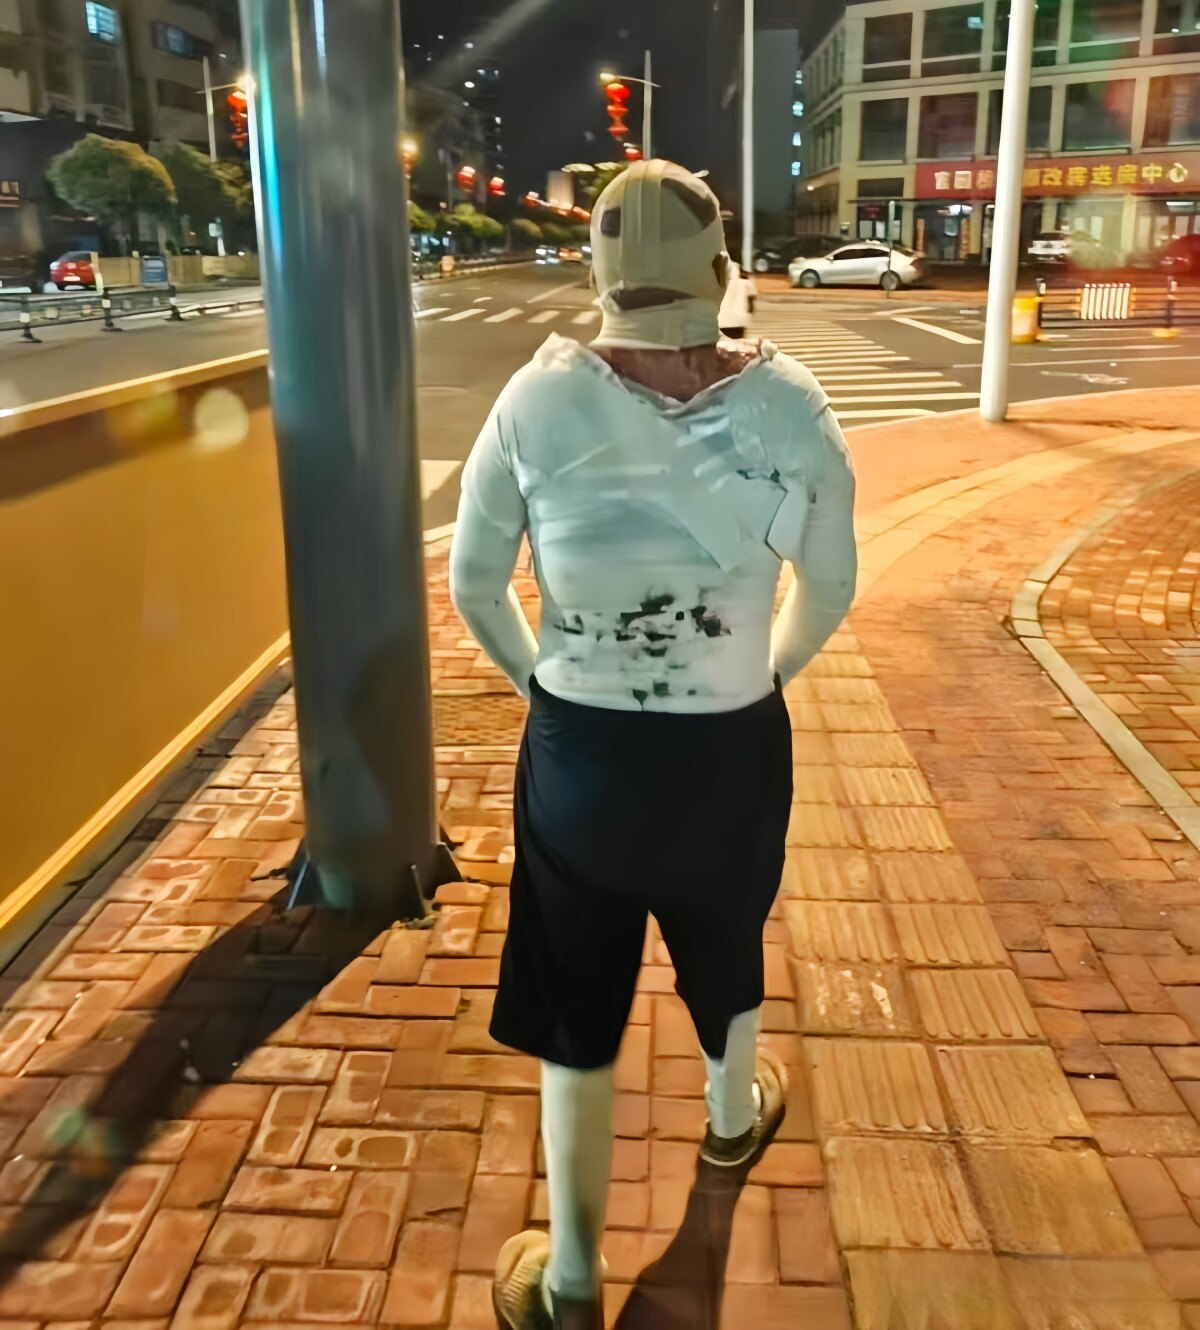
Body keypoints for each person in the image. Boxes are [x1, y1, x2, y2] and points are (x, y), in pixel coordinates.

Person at [450, 160, 857, 1330]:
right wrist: (759, 676)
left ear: (598, 272)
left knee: (576, 996)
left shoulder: (533, 402)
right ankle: (731, 1118)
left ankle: (572, 1278)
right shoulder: (793, 403)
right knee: (726, 931)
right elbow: (830, 582)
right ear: (720, 269)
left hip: (581, 751)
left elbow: (473, 583)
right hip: (730, 745)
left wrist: (545, 684)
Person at [717, 256, 757, 339]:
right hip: (739, 321)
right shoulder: (746, 280)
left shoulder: (716, 280)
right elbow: (751, 303)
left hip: (721, 321)